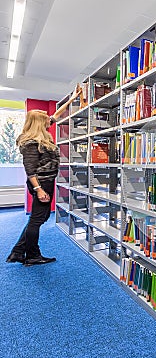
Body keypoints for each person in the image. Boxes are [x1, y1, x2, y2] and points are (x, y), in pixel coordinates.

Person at [6, 85, 82, 266]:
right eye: (46, 120)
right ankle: (32, 256)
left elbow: (57, 114)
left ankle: (18, 251)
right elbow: (30, 169)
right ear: (40, 124)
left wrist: (73, 99)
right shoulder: (31, 142)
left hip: (46, 182)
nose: (50, 121)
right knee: (37, 218)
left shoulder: (42, 136)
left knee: (40, 217)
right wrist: (39, 189)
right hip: (40, 183)